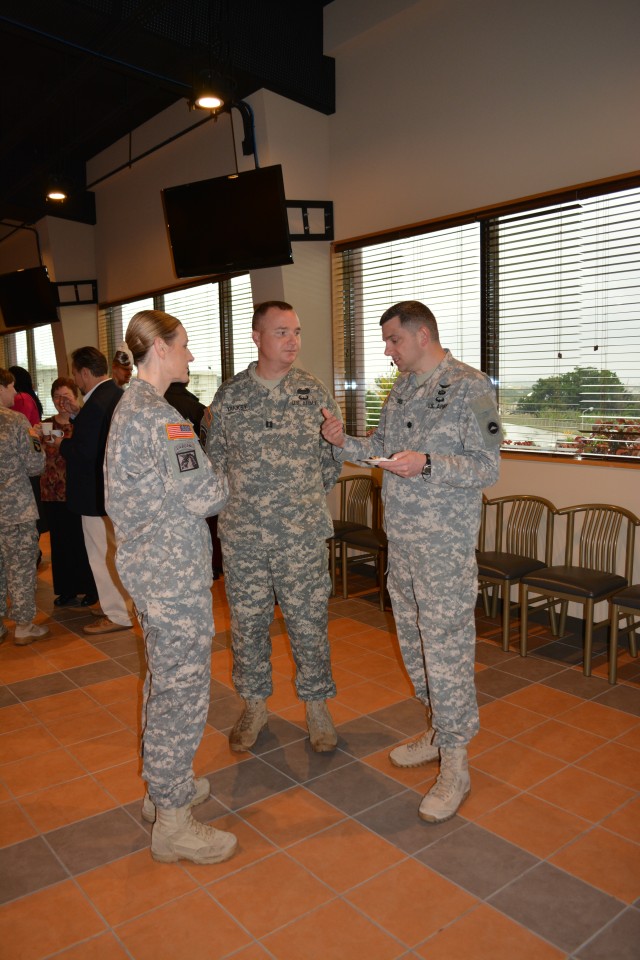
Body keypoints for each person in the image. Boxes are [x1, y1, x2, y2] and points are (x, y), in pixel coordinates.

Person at [321, 300, 502, 823]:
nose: (387, 349)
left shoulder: (473, 387)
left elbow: (487, 467)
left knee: (446, 650)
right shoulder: (401, 388)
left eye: (393, 340)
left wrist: (426, 464)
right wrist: (345, 443)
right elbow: (381, 448)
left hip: (443, 548)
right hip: (400, 543)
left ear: (423, 335)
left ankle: (457, 763)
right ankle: (438, 730)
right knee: (416, 644)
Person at [104, 309, 236, 865]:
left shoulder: (128, 407)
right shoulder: (164, 419)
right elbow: (206, 496)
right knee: (181, 692)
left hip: (150, 568)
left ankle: (165, 789)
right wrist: (232, 475)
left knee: (165, 683)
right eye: (183, 346)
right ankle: (174, 823)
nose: (190, 356)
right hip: (171, 577)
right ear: (158, 348)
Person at [202, 300, 342, 753]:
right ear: (257, 336)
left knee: (308, 623)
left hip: (300, 536)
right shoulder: (230, 396)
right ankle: (255, 705)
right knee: (246, 624)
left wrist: (294, 502)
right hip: (243, 538)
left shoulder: (313, 392)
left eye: (297, 331)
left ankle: (317, 708)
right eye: (281, 332)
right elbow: (215, 462)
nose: (293, 341)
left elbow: (330, 462)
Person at [54, 347, 131, 633]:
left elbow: (86, 451)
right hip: (112, 491)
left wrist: (63, 445)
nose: (76, 379)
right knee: (113, 552)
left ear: (85, 372)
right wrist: (77, 417)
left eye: (75, 373)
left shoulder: (97, 403)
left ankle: (117, 614)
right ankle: (120, 603)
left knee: (102, 555)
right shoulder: (113, 394)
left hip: (94, 494)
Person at [0, 368, 48, 645]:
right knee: (19, 566)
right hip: (15, 509)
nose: (16, 393)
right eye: (11, 387)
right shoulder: (18, 422)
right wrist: (36, 439)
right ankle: (23, 625)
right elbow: (34, 465)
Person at [40, 377, 97, 607]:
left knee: (84, 543)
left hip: (78, 491)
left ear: (76, 397)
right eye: (56, 397)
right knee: (61, 544)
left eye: (66, 396)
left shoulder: (82, 422)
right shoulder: (45, 425)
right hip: (53, 492)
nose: (61, 401)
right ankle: (66, 589)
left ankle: (91, 589)